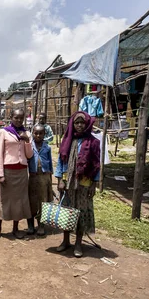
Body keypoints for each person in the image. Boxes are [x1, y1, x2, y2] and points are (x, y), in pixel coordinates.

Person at [54, 111, 100, 258]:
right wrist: (60, 179)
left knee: (80, 212)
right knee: (67, 212)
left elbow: (96, 164)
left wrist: (94, 184)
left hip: (84, 183)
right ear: (72, 124)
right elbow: (61, 161)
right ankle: (66, 240)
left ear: (87, 124)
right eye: (77, 123)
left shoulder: (93, 142)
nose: (79, 125)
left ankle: (78, 243)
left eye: (82, 123)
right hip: (68, 182)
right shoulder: (68, 140)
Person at [0, 109, 33, 240]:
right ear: (11, 117)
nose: (18, 120)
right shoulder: (3, 132)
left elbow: (29, 155)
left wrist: (27, 141)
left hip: (21, 171)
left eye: (21, 118)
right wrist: (0, 174)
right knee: (3, 200)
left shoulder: (26, 133)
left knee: (19, 201)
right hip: (7, 171)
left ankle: (15, 228)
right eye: (16, 117)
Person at [28, 124, 54, 236]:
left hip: (44, 177)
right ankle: (30, 225)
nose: (38, 135)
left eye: (41, 133)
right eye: (36, 133)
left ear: (44, 134)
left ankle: (41, 225)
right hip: (32, 177)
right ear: (32, 133)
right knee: (31, 201)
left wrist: (50, 181)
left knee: (43, 202)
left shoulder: (47, 147)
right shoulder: (29, 146)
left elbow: (50, 164)